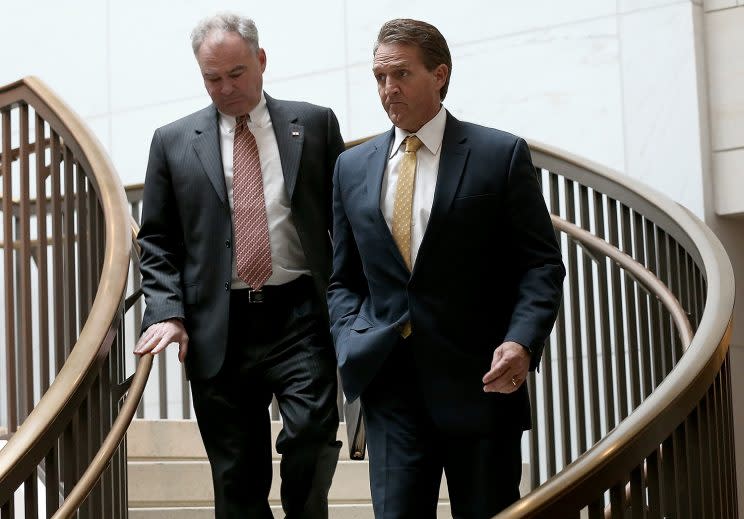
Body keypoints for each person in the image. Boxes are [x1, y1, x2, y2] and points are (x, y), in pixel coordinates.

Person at [327, 18, 565, 519]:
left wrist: (522, 341)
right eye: (378, 77)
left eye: (401, 74)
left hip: (480, 383)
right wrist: (351, 335)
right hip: (389, 385)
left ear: (439, 74)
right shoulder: (351, 167)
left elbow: (540, 263)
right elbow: (343, 278)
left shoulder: (498, 155)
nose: (388, 89)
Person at [134, 12, 344, 519]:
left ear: (262, 60)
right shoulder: (173, 140)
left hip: (299, 313)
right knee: (236, 476)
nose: (226, 88)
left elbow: (348, 217)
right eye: (212, 79)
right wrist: (167, 310)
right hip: (218, 323)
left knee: (313, 436)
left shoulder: (314, 123)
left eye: (236, 73)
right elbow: (157, 240)